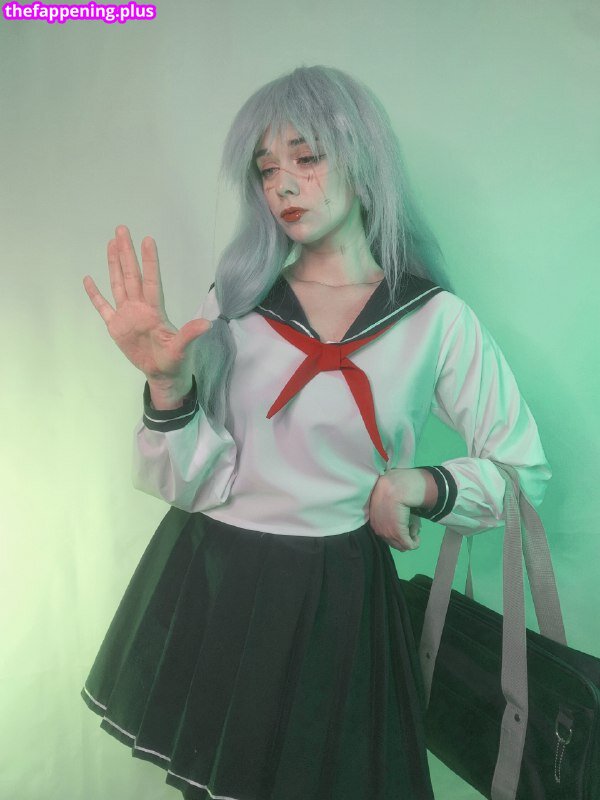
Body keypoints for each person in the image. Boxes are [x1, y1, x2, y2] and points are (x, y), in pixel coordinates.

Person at [81, 66, 550, 800]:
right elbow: (192, 481)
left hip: (338, 596)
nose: (283, 186)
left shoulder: (434, 320)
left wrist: (420, 484)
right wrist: (168, 390)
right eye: (266, 169)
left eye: (306, 157)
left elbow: (523, 472)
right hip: (217, 578)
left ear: (363, 162)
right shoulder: (237, 303)